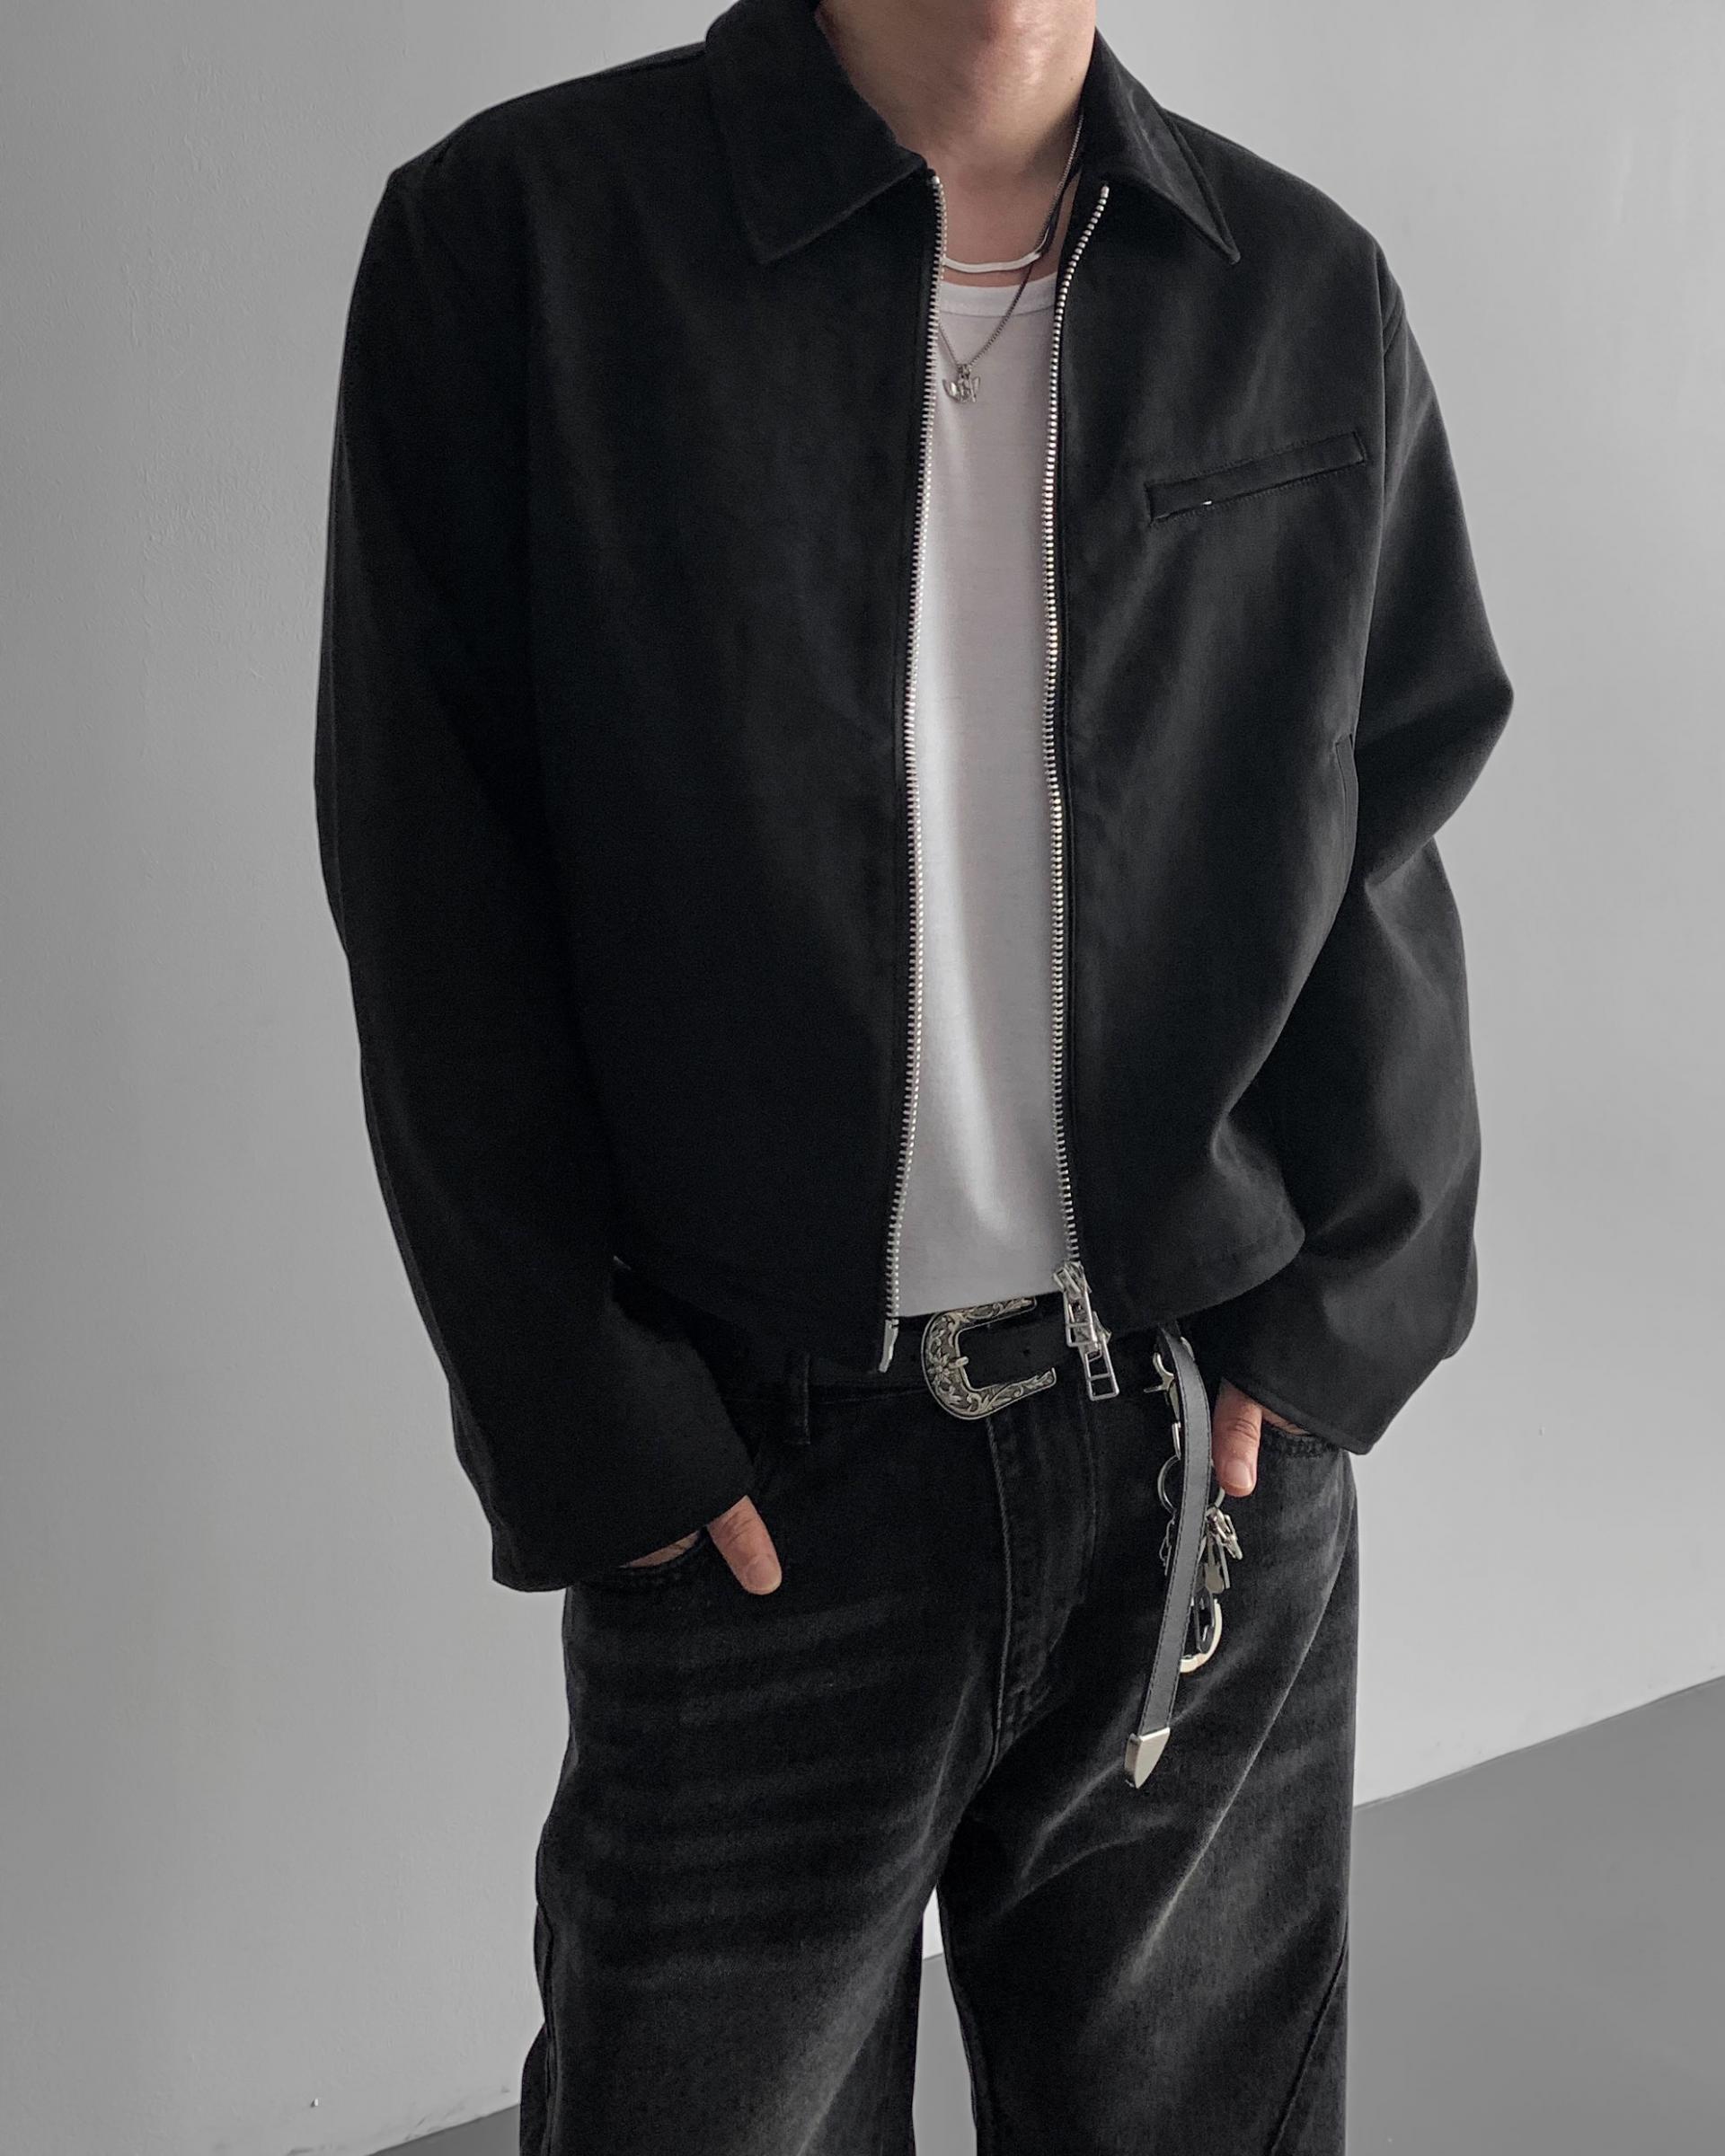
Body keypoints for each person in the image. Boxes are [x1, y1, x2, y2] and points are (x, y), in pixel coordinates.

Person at [314, 0, 1512, 2147]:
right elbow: (431, 885)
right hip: (755, 1484)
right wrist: (588, 1419)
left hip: (1197, 1457)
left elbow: (1391, 806)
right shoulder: (524, 244)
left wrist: (1343, 1317)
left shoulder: (1295, 284)